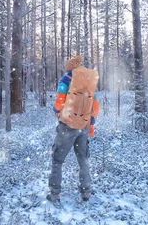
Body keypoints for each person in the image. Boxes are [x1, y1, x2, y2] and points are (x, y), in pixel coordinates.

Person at [47, 55, 99, 207]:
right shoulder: (88, 80)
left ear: (69, 67)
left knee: (57, 159)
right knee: (83, 159)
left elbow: (60, 100)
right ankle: (86, 191)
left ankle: (55, 193)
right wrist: (91, 122)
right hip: (83, 125)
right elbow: (94, 103)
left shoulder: (65, 79)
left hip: (68, 125)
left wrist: (57, 111)